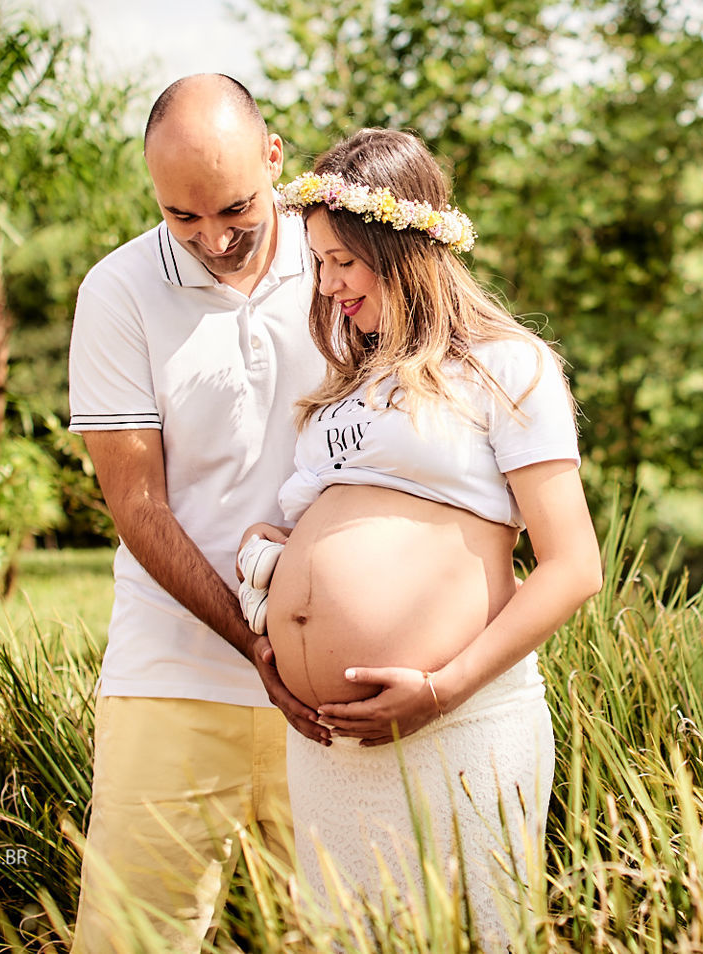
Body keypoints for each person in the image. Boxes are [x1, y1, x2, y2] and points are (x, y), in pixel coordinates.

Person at [233, 128, 603, 952]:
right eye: (319, 264)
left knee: (474, 936)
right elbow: (319, 529)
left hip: (458, 725)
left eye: (343, 262)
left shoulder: (509, 368)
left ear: (401, 249)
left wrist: (444, 688)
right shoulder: (341, 391)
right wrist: (276, 581)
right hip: (331, 746)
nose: (328, 287)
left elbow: (574, 567)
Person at [66, 74, 332, 954]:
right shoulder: (117, 291)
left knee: (354, 933)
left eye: (234, 209)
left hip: (334, 680)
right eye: (183, 217)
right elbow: (136, 504)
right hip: (170, 673)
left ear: (274, 158)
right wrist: (255, 646)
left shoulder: (345, 266)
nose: (213, 238)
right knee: (128, 940)